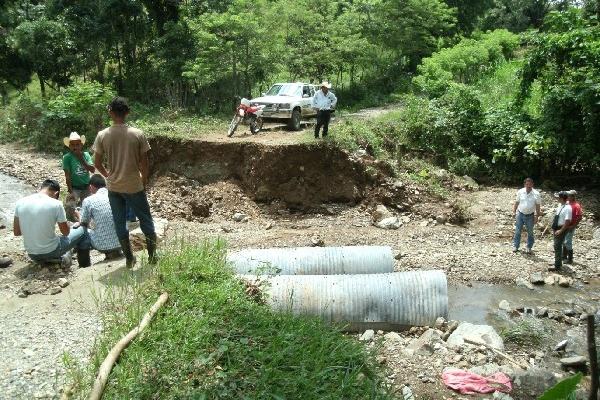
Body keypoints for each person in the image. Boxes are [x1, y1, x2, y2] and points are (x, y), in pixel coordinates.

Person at [93, 97, 157, 268]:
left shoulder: (103, 135)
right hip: (133, 185)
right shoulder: (137, 134)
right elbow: (145, 163)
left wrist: (108, 176)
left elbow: (96, 163)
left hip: (114, 187)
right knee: (145, 220)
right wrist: (143, 181)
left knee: (119, 221)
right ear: (127, 112)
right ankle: (152, 257)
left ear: (110, 113)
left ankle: (129, 258)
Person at [13, 179, 89, 267]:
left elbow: (17, 232)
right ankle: (84, 265)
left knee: (57, 238)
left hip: (32, 254)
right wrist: (69, 225)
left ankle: (50, 259)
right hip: (51, 250)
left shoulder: (20, 203)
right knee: (83, 230)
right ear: (56, 194)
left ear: (40, 188)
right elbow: (65, 232)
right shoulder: (56, 204)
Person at [75, 174, 122, 261]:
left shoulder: (88, 200)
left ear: (91, 186)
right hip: (123, 241)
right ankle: (117, 251)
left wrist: (78, 214)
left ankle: (84, 265)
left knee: (81, 231)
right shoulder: (116, 195)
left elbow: (84, 223)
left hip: (103, 245)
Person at [62, 132, 95, 204]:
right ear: (69, 146)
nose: (75, 147)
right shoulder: (67, 157)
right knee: (70, 206)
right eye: (73, 145)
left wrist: (81, 158)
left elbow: (92, 170)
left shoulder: (86, 155)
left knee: (88, 206)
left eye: (77, 144)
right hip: (74, 187)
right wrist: (70, 191)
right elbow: (67, 176)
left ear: (81, 145)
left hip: (86, 186)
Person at [512, 177, 541, 254]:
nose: (528, 186)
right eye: (527, 184)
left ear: (532, 184)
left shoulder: (536, 194)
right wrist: (514, 211)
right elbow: (517, 202)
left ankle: (529, 247)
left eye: (530, 184)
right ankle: (516, 246)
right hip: (520, 214)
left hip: (530, 216)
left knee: (530, 232)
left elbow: (538, 206)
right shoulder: (520, 191)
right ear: (524, 184)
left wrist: (537, 216)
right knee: (518, 231)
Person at [551, 191, 572, 271]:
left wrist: (560, 230)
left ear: (562, 198)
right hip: (557, 227)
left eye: (558, 197)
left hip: (561, 228)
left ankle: (557, 266)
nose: (557, 198)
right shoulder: (560, 205)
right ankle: (558, 262)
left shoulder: (568, 208)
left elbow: (567, 222)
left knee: (557, 246)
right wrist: (554, 227)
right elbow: (557, 216)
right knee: (557, 246)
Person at [563, 190, 582, 264]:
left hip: (570, 226)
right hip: (564, 225)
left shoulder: (576, 205)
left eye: (569, 195)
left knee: (568, 241)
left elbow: (580, 217)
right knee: (564, 241)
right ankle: (564, 256)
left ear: (572, 196)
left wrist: (573, 226)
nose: (567, 197)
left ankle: (570, 259)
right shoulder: (567, 203)